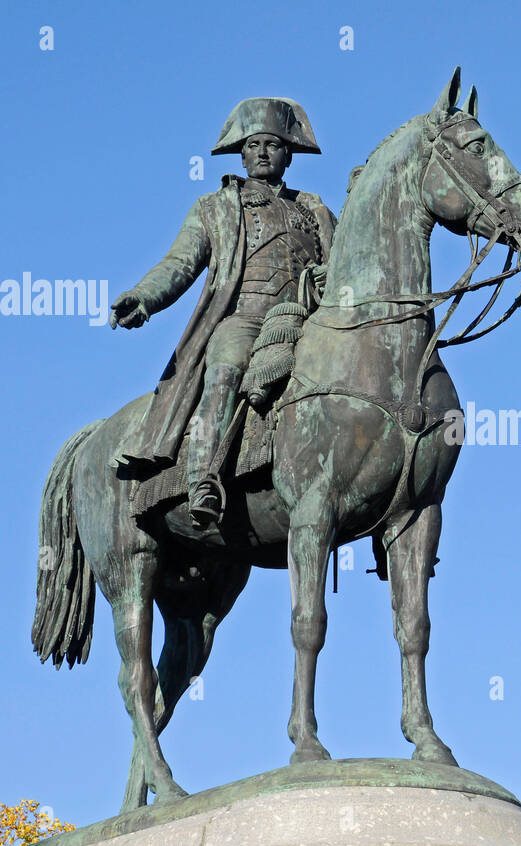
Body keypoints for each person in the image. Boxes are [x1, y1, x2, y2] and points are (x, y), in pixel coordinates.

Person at [109, 97, 337, 528]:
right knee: (227, 366)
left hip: (305, 323)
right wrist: (143, 298)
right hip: (245, 320)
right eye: (253, 145)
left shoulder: (316, 210)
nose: (263, 152)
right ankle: (204, 478)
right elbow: (179, 264)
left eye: (272, 144)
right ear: (243, 153)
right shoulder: (215, 208)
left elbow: (349, 266)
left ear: (288, 153)